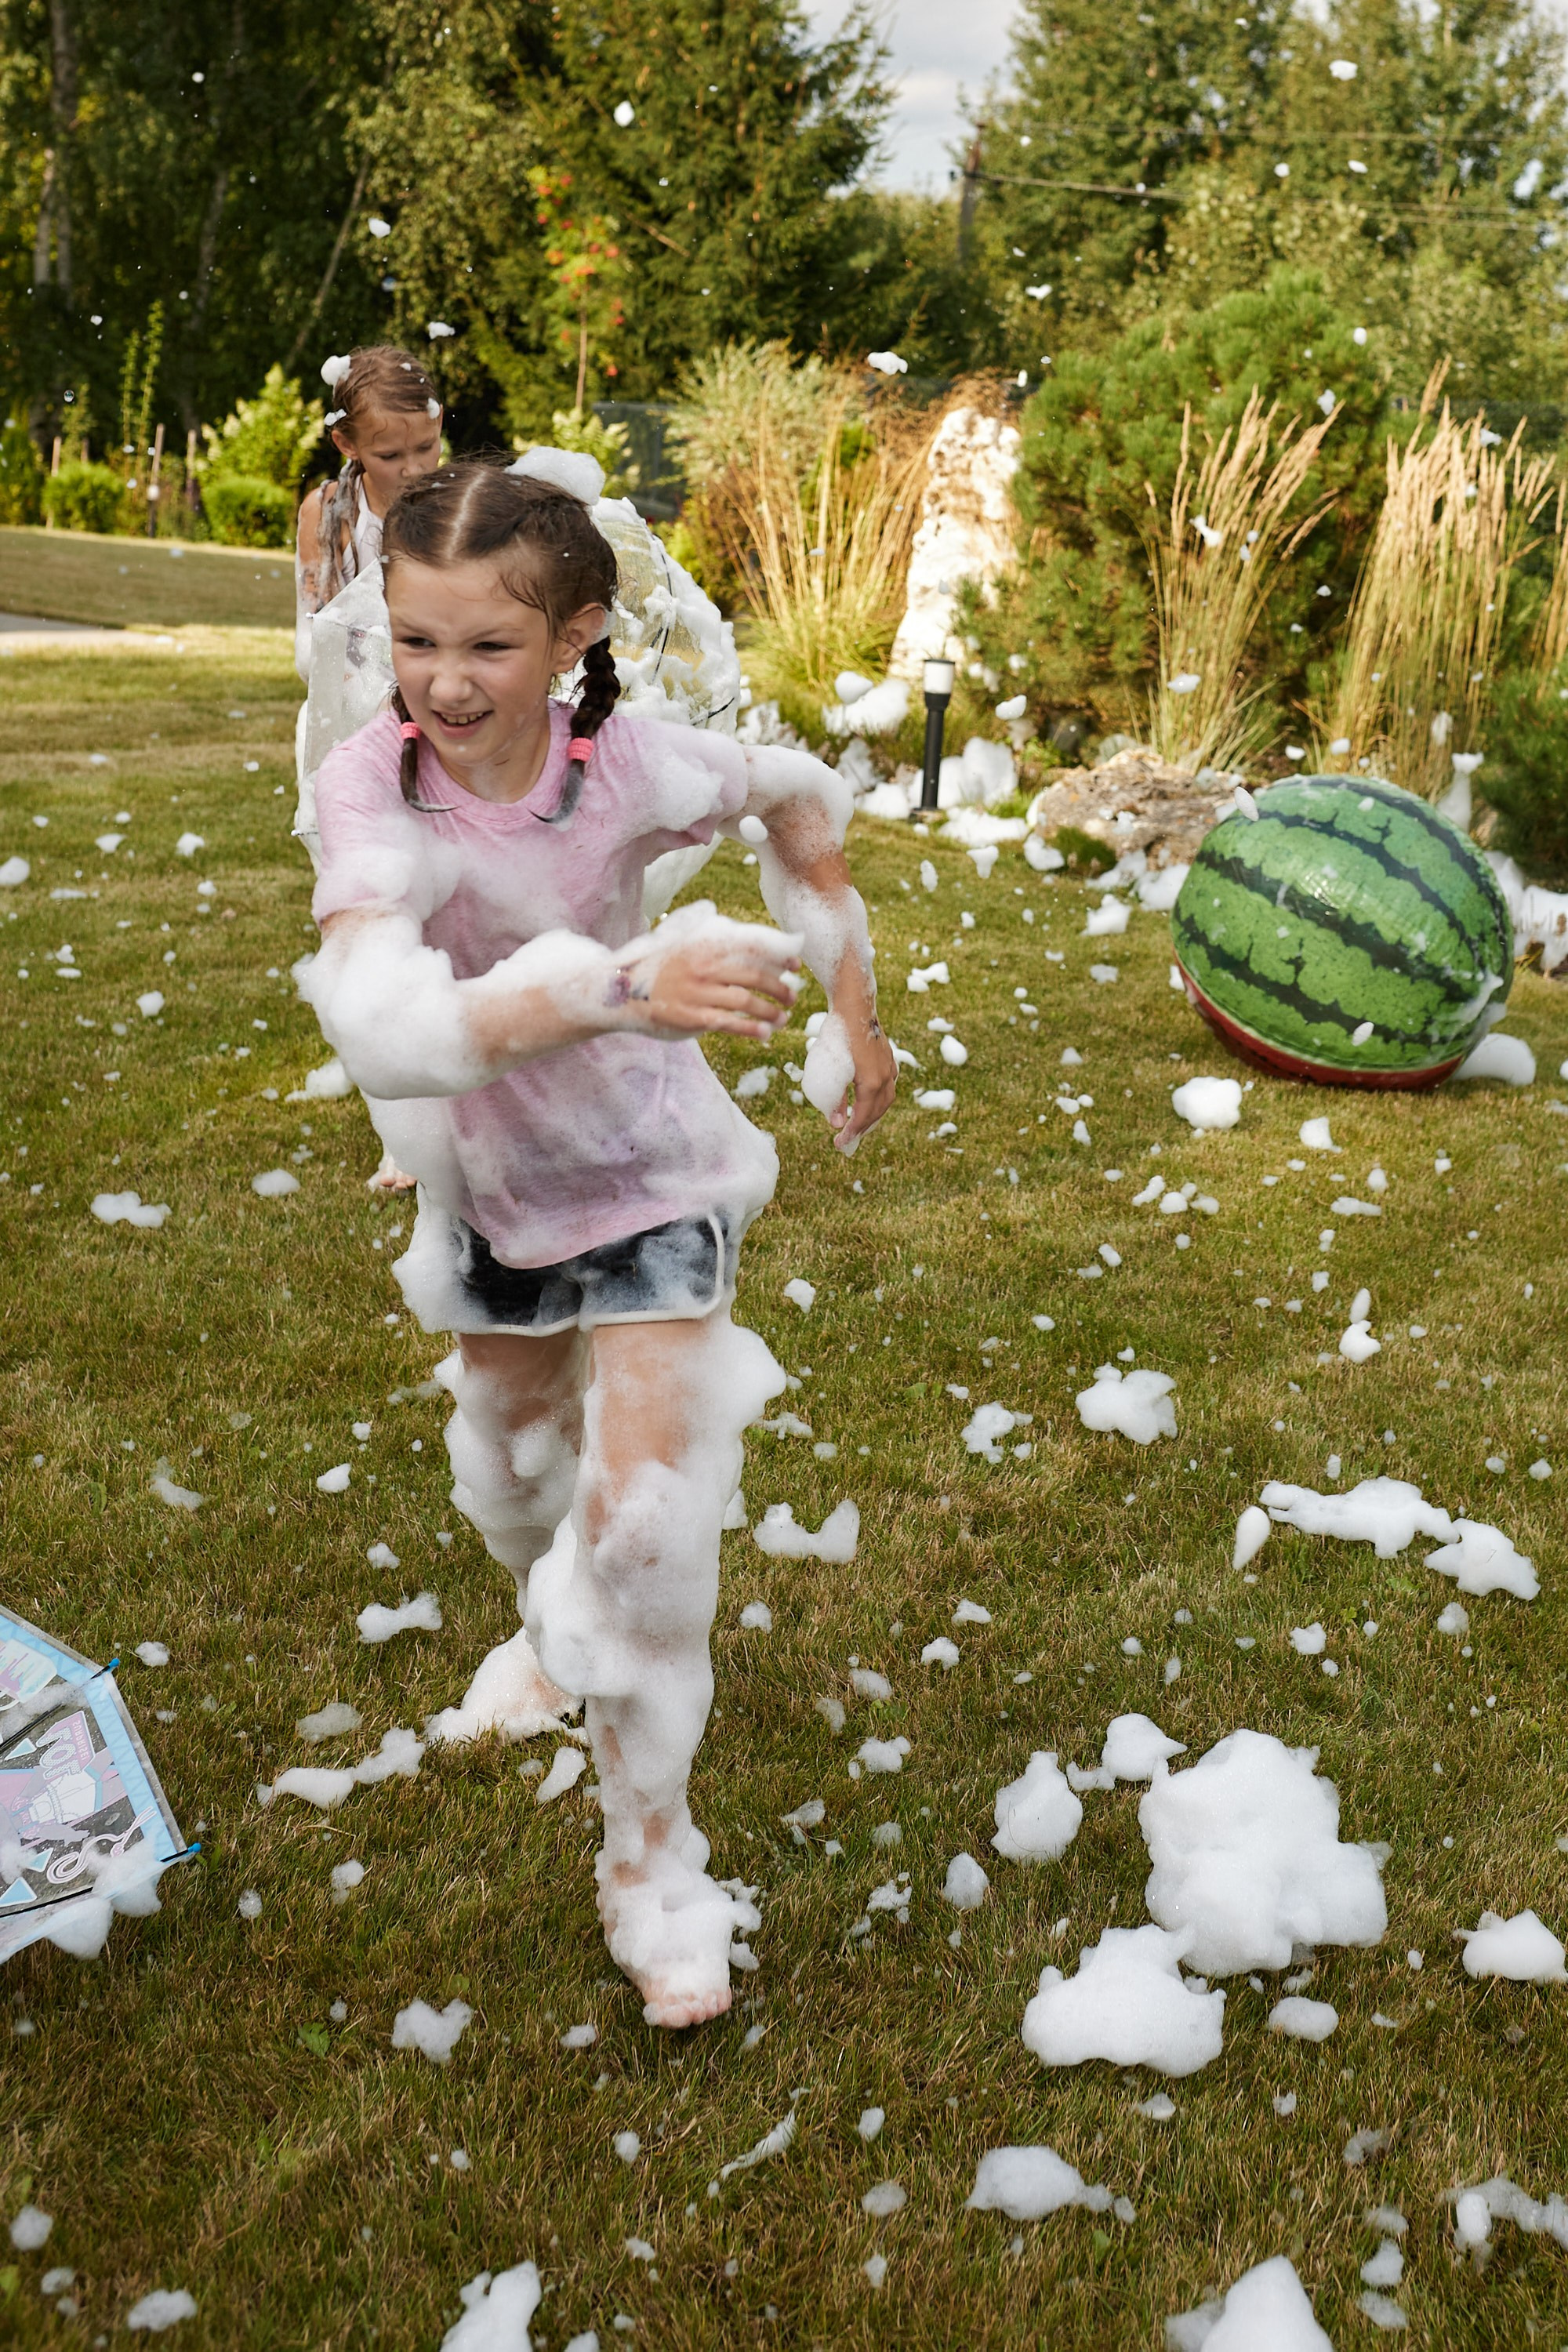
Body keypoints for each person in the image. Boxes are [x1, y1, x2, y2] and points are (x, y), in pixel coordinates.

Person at [299, 459, 895, 2029]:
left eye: (487, 647)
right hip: (493, 1193)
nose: (441, 682)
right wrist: (623, 982)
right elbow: (390, 1027)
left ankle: (652, 1870)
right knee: (508, 1465)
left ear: (575, 636)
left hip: (655, 1177)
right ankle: (546, 1642)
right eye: (413, 641)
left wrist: (854, 1015)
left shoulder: (626, 767)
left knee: (641, 1538)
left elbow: (797, 798)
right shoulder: (372, 788)